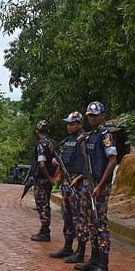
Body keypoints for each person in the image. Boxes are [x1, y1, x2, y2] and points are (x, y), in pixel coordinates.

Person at [74, 101, 117, 271]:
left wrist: (100, 186)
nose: (92, 118)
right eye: (90, 115)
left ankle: (103, 265)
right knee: (90, 223)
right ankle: (93, 259)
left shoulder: (106, 135)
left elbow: (113, 160)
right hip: (88, 184)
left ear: (102, 116)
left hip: (99, 185)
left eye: (95, 115)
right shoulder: (90, 136)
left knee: (100, 224)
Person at [50, 111, 86, 261]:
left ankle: (80, 250)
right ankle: (67, 246)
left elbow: (88, 163)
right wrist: (55, 162)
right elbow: (64, 158)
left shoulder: (83, 139)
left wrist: (79, 177)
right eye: (68, 124)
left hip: (77, 183)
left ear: (79, 124)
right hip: (66, 181)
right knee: (67, 216)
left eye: (72, 124)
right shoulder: (68, 140)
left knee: (79, 217)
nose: (69, 126)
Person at [30, 120, 58, 242]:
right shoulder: (53, 143)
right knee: (46, 203)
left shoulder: (41, 144)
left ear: (37, 131)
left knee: (42, 204)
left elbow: (41, 164)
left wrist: (48, 177)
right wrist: (53, 177)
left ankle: (45, 231)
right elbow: (58, 163)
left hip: (42, 179)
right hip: (49, 179)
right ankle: (44, 229)